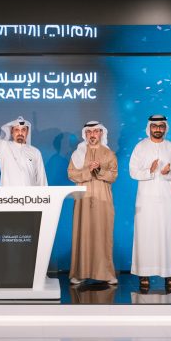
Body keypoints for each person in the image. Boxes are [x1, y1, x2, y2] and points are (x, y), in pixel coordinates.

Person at [130, 115, 171, 291]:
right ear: (149, 127)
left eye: (161, 126)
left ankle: (169, 273)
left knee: (167, 235)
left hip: (167, 200)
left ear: (165, 128)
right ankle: (143, 273)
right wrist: (150, 171)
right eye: (155, 126)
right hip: (145, 200)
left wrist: (168, 172)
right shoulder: (140, 147)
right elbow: (133, 172)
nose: (158, 129)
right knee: (145, 235)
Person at [67, 121, 118, 285]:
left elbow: (113, 176)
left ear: (101, 133)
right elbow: (71, 174)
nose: (92, 135)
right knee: (83, 233)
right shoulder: (78, 154)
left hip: (103, 198)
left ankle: (107, 273)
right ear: (85, 134)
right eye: (89, 132)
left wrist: (100, 170)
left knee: (103, 234)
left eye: (96, 131)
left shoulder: (108, 154)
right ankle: (80, 273)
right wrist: (87, 170)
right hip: (83, 198)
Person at [0, 111, 47, 186]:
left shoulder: (35, 152)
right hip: (8, 193)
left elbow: (42, 179)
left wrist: (45, 193)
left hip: (30, 193)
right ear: (12, 132)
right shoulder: (4, 147)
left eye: (23, 130)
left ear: (27, 132)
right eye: (17, 130)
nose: (20, 133)